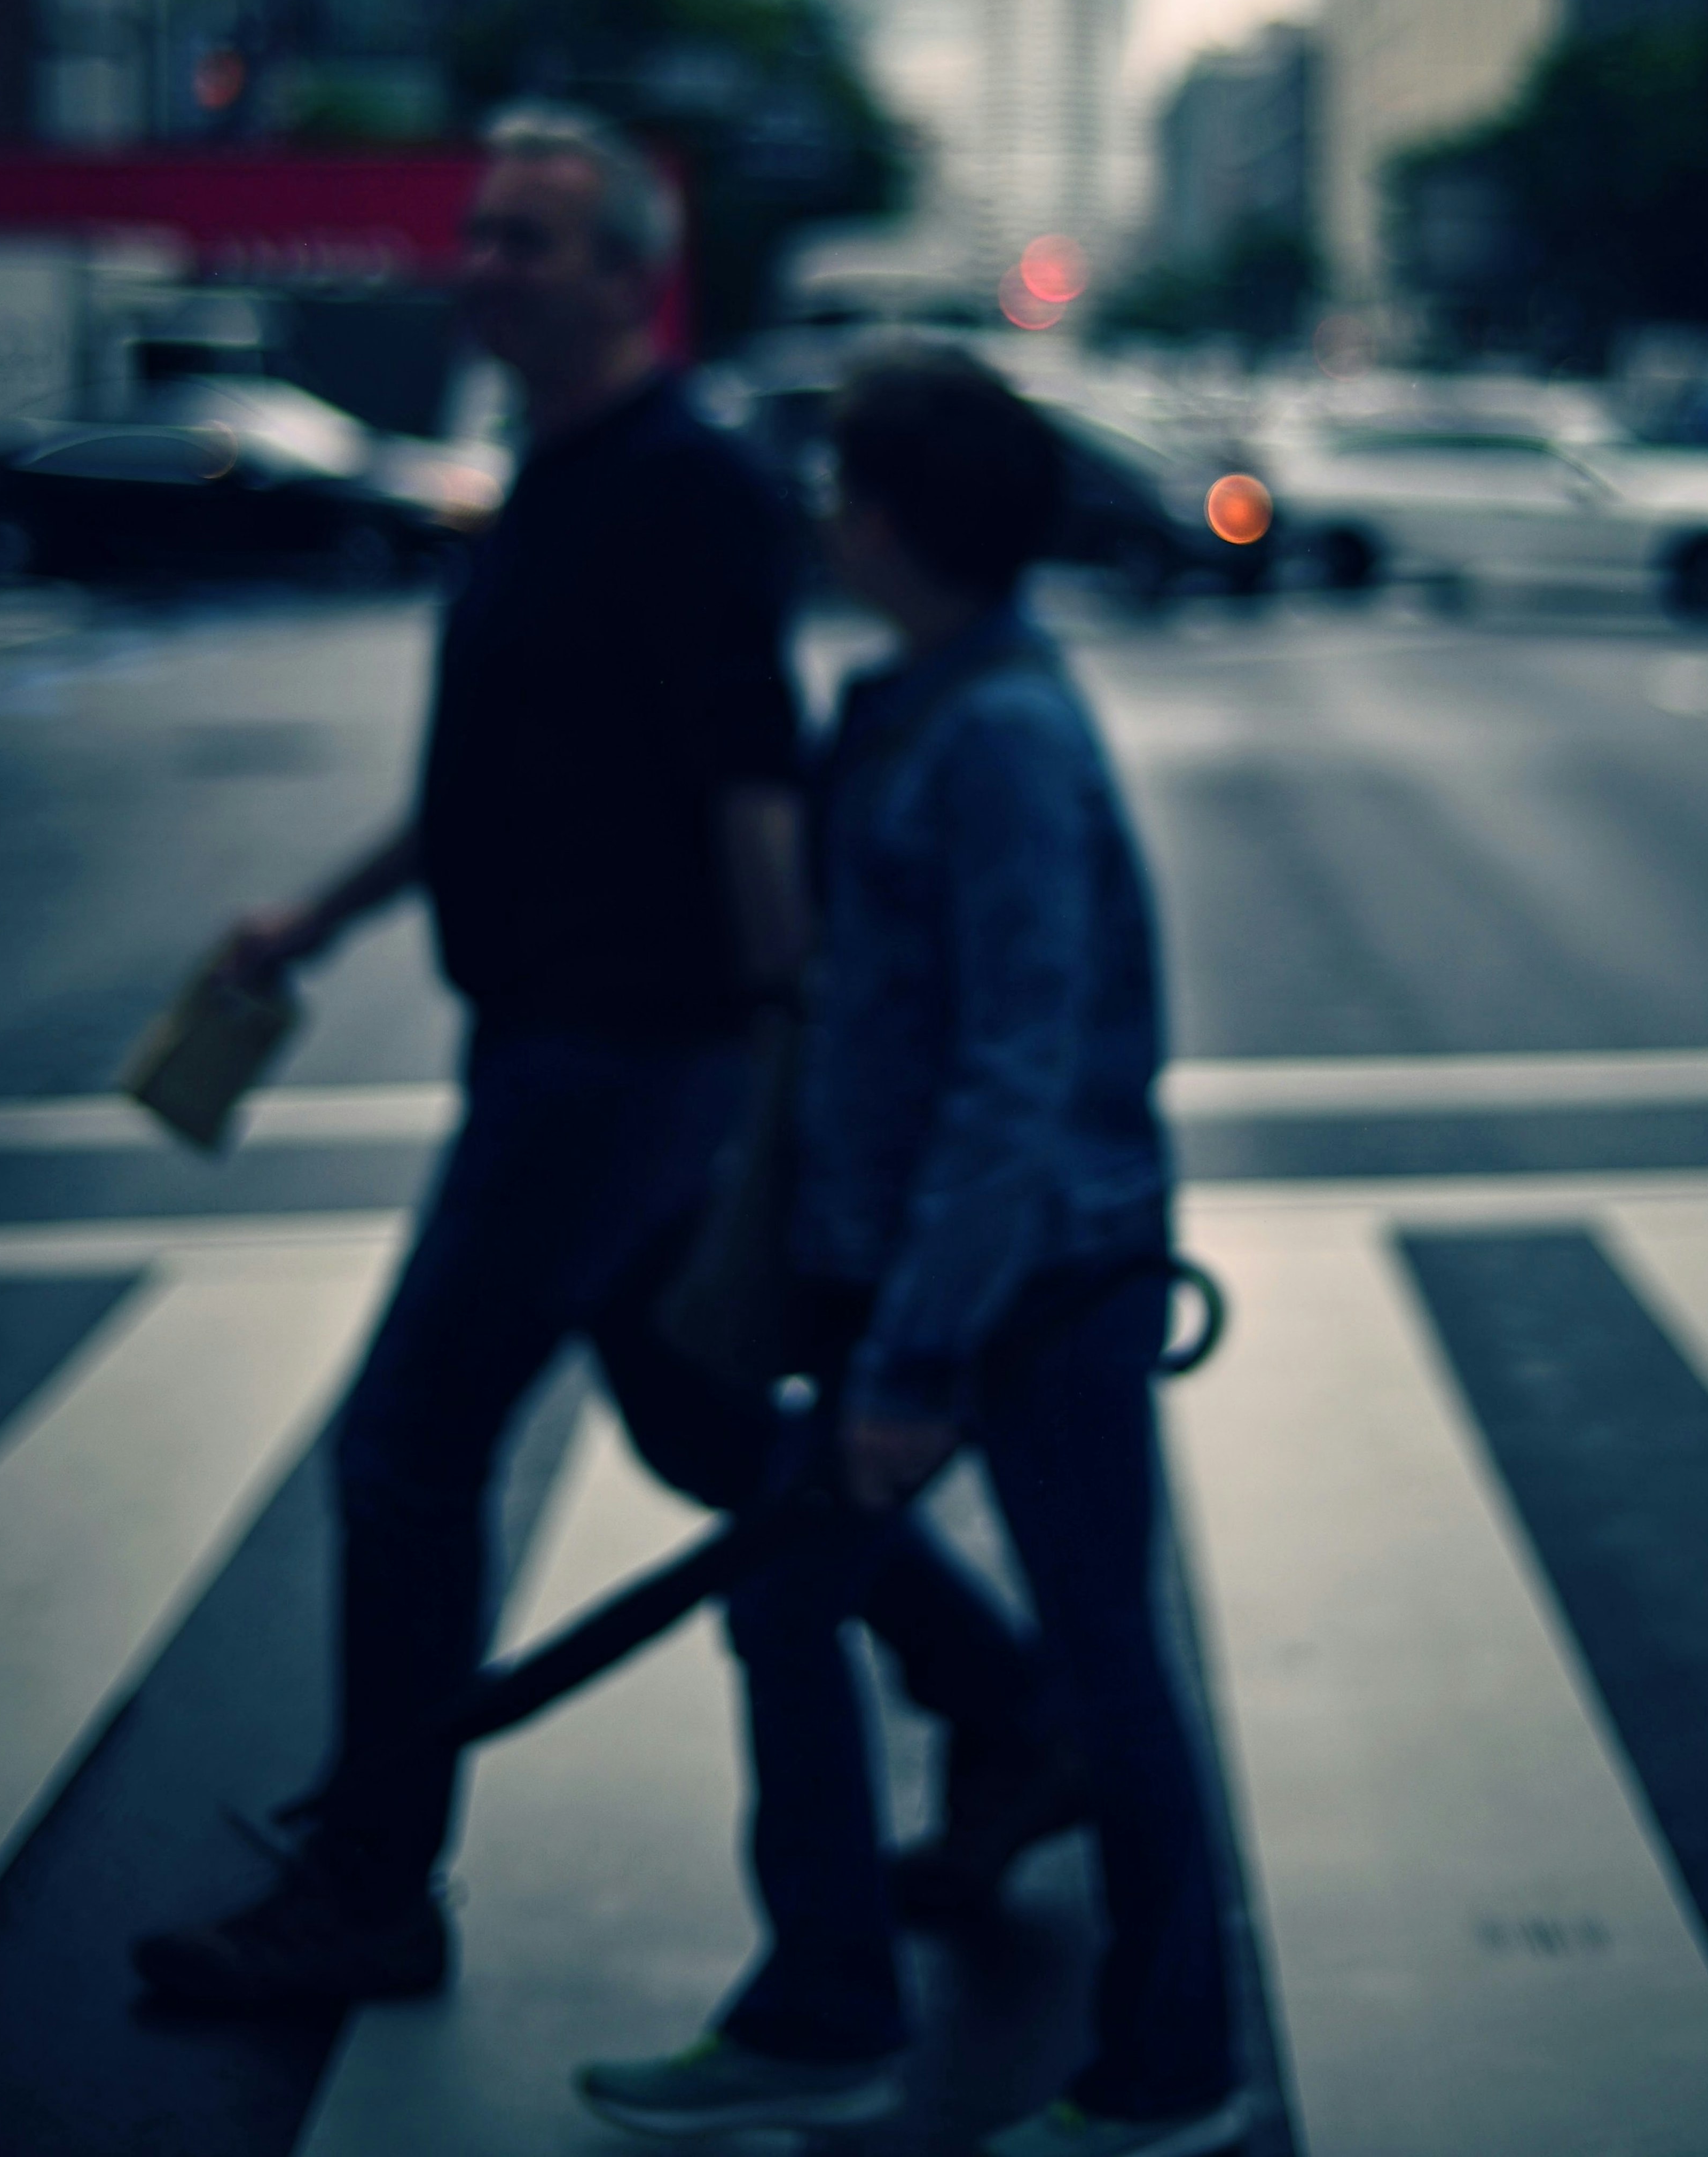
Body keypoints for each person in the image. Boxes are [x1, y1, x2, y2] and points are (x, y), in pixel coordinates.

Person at [134, 112, 1057, 2013]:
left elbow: (749, 788)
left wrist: (790, 1080)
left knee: (404, 1454)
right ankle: (1014, 1708)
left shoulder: (684, 488)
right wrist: (317, 918)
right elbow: (498, 786)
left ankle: (369, 1887)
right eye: (479, 232)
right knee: (714, 1433)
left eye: (531, 241)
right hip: (554, 1037)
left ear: (631, 278)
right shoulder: (547, 478)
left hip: (622, 1060)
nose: (482, 263)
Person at [574, 350, 1242, 2157]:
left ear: (896, 520)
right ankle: (828, 2010)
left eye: (847, 488)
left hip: (1037, 1285)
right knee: (799, 1602)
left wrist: (923, 1354)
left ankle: (1171, 2069)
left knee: (1106, 1657)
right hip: (940, 1276)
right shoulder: (918, 702)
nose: (822, 515)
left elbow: (1017, 1069)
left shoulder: (1002, 735)